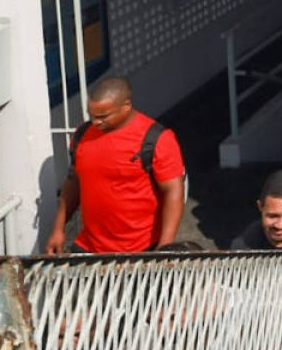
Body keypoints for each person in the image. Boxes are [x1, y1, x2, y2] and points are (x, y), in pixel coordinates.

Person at [44, 75, 187, 255]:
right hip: (89, 248)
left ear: (126, 106)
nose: (96, 122)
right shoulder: (82, 135)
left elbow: (173, 191)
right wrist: (58, 229)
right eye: (92, 115)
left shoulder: (157, 139)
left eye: (103, 116)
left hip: (142, 250)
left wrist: (165, 247)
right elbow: (74, 182)